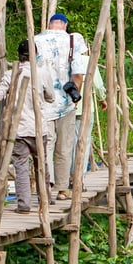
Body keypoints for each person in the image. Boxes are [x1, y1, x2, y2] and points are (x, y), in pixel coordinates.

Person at [0, 39, 56, 213]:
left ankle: (24, 204)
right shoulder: (42, 73)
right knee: (41, 164)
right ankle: (46, 198)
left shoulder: (11, 74)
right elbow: (51, 97)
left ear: (19, 56)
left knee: (21, 167)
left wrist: (7, 91)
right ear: (35, 55)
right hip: (38, 128)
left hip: (18, 129)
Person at [34, 13, 89, 200]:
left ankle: (45, 186)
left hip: (42, 103)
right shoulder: (73, 40)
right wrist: (74, 96)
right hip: (65, 103)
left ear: (49, 24)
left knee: (46, 145)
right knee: (64, 147)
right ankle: (62, 189)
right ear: (65, 25)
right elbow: (78, 73)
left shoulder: (36, 40)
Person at [70, 53, 107, 178]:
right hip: (84, 107)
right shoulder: (88, 61)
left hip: (66, 108)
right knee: (83, 141)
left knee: (68, 142)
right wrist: (102, 99)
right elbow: (98, 84)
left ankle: (69, 175)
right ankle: (79, 175)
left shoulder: (64, 59)